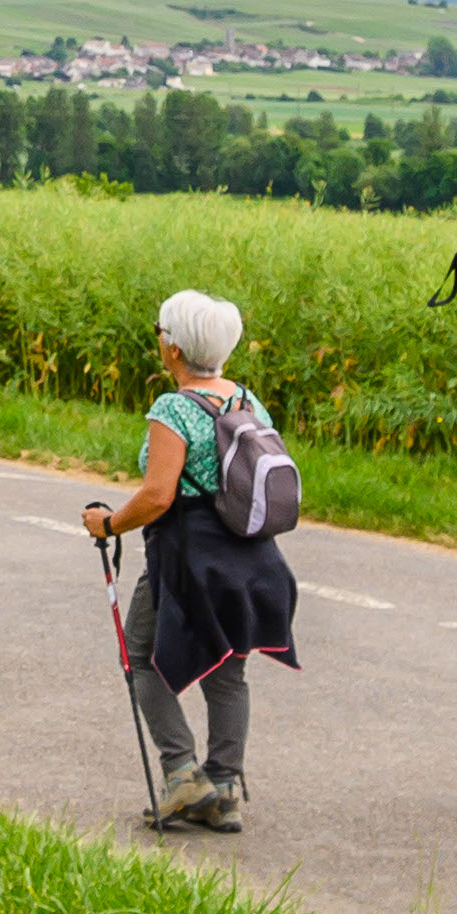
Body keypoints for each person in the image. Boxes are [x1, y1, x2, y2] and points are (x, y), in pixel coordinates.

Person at [80, 289, 298, 829]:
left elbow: (158, 495)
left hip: (187, 558)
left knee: (139, 655)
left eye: (161, 332)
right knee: (228, 672)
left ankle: (182, 775)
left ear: (173, 349)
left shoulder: (173, 408)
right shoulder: (247, 401)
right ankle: (224, 789)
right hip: (249, 558)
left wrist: (107, 523)